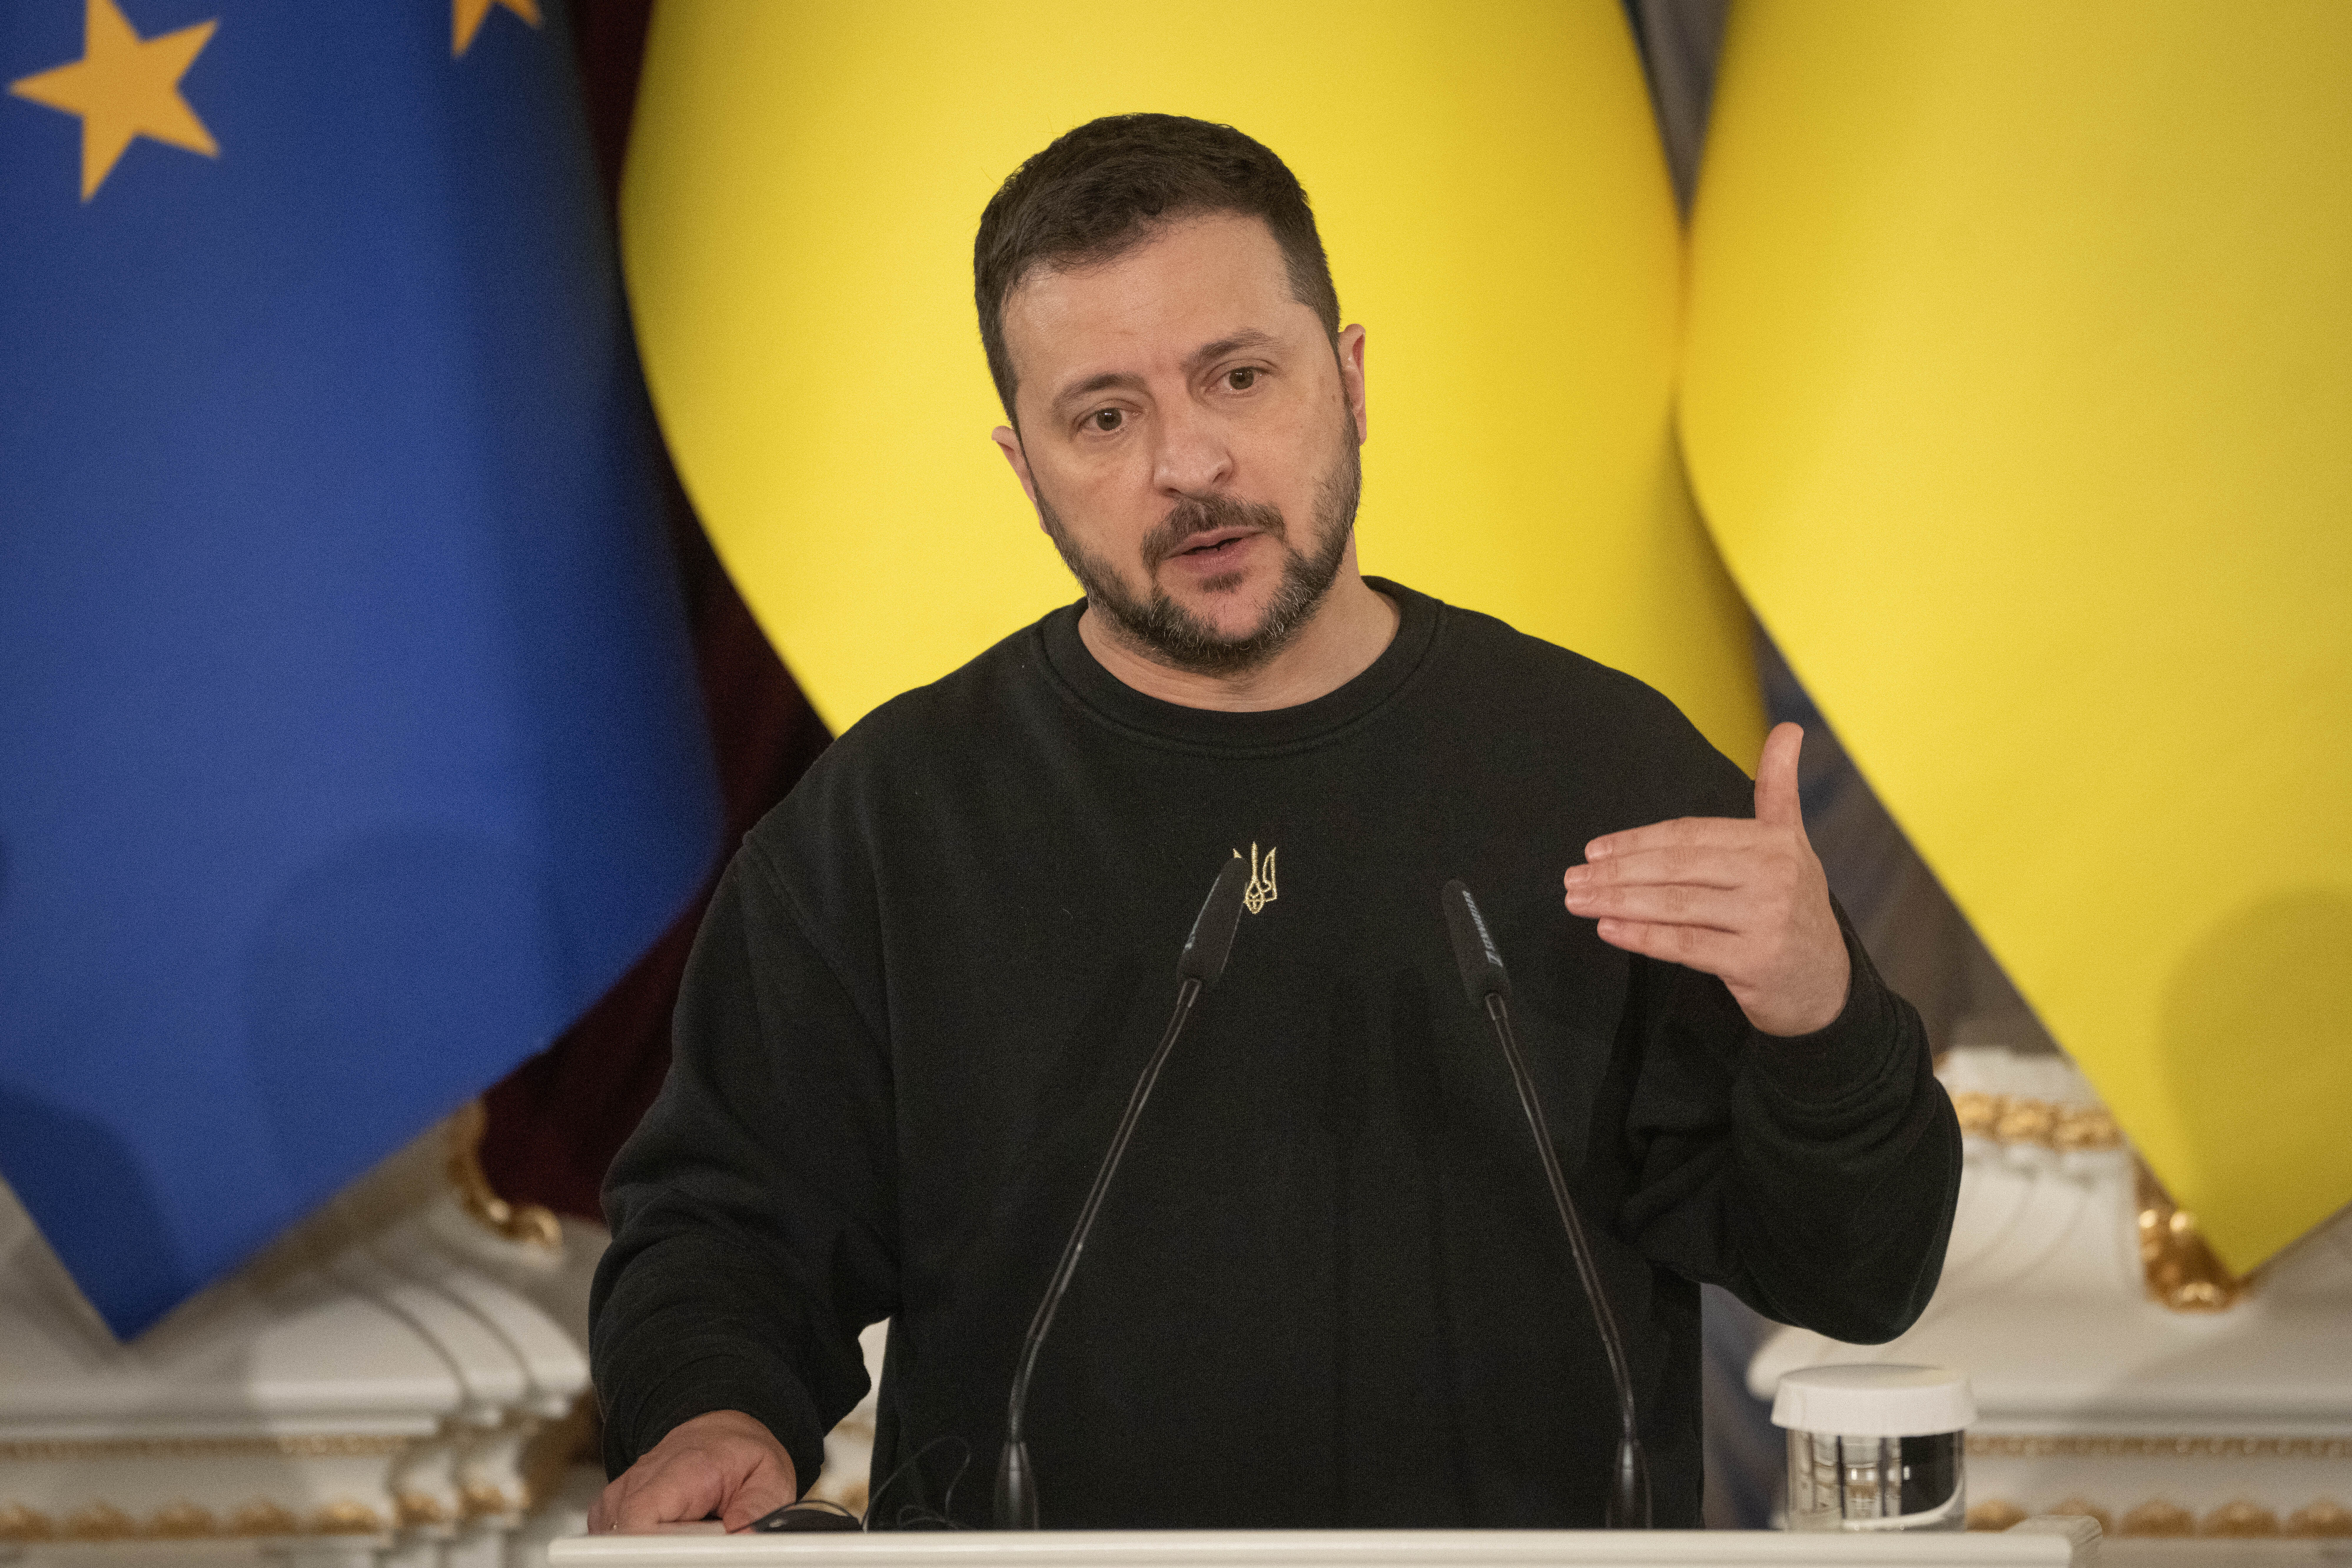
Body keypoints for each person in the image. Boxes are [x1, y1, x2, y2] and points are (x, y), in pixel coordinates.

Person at [586, 113, 1960, 1533]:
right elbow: (725, 1231)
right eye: (1105, 416)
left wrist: (1822, 1017)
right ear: (1024, 467)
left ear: (1351, 381)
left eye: (1238, 377)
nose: (1190, 464)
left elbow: (1860, 1279)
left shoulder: (1600, 769)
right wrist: (712, 1407)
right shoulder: (890, 823)